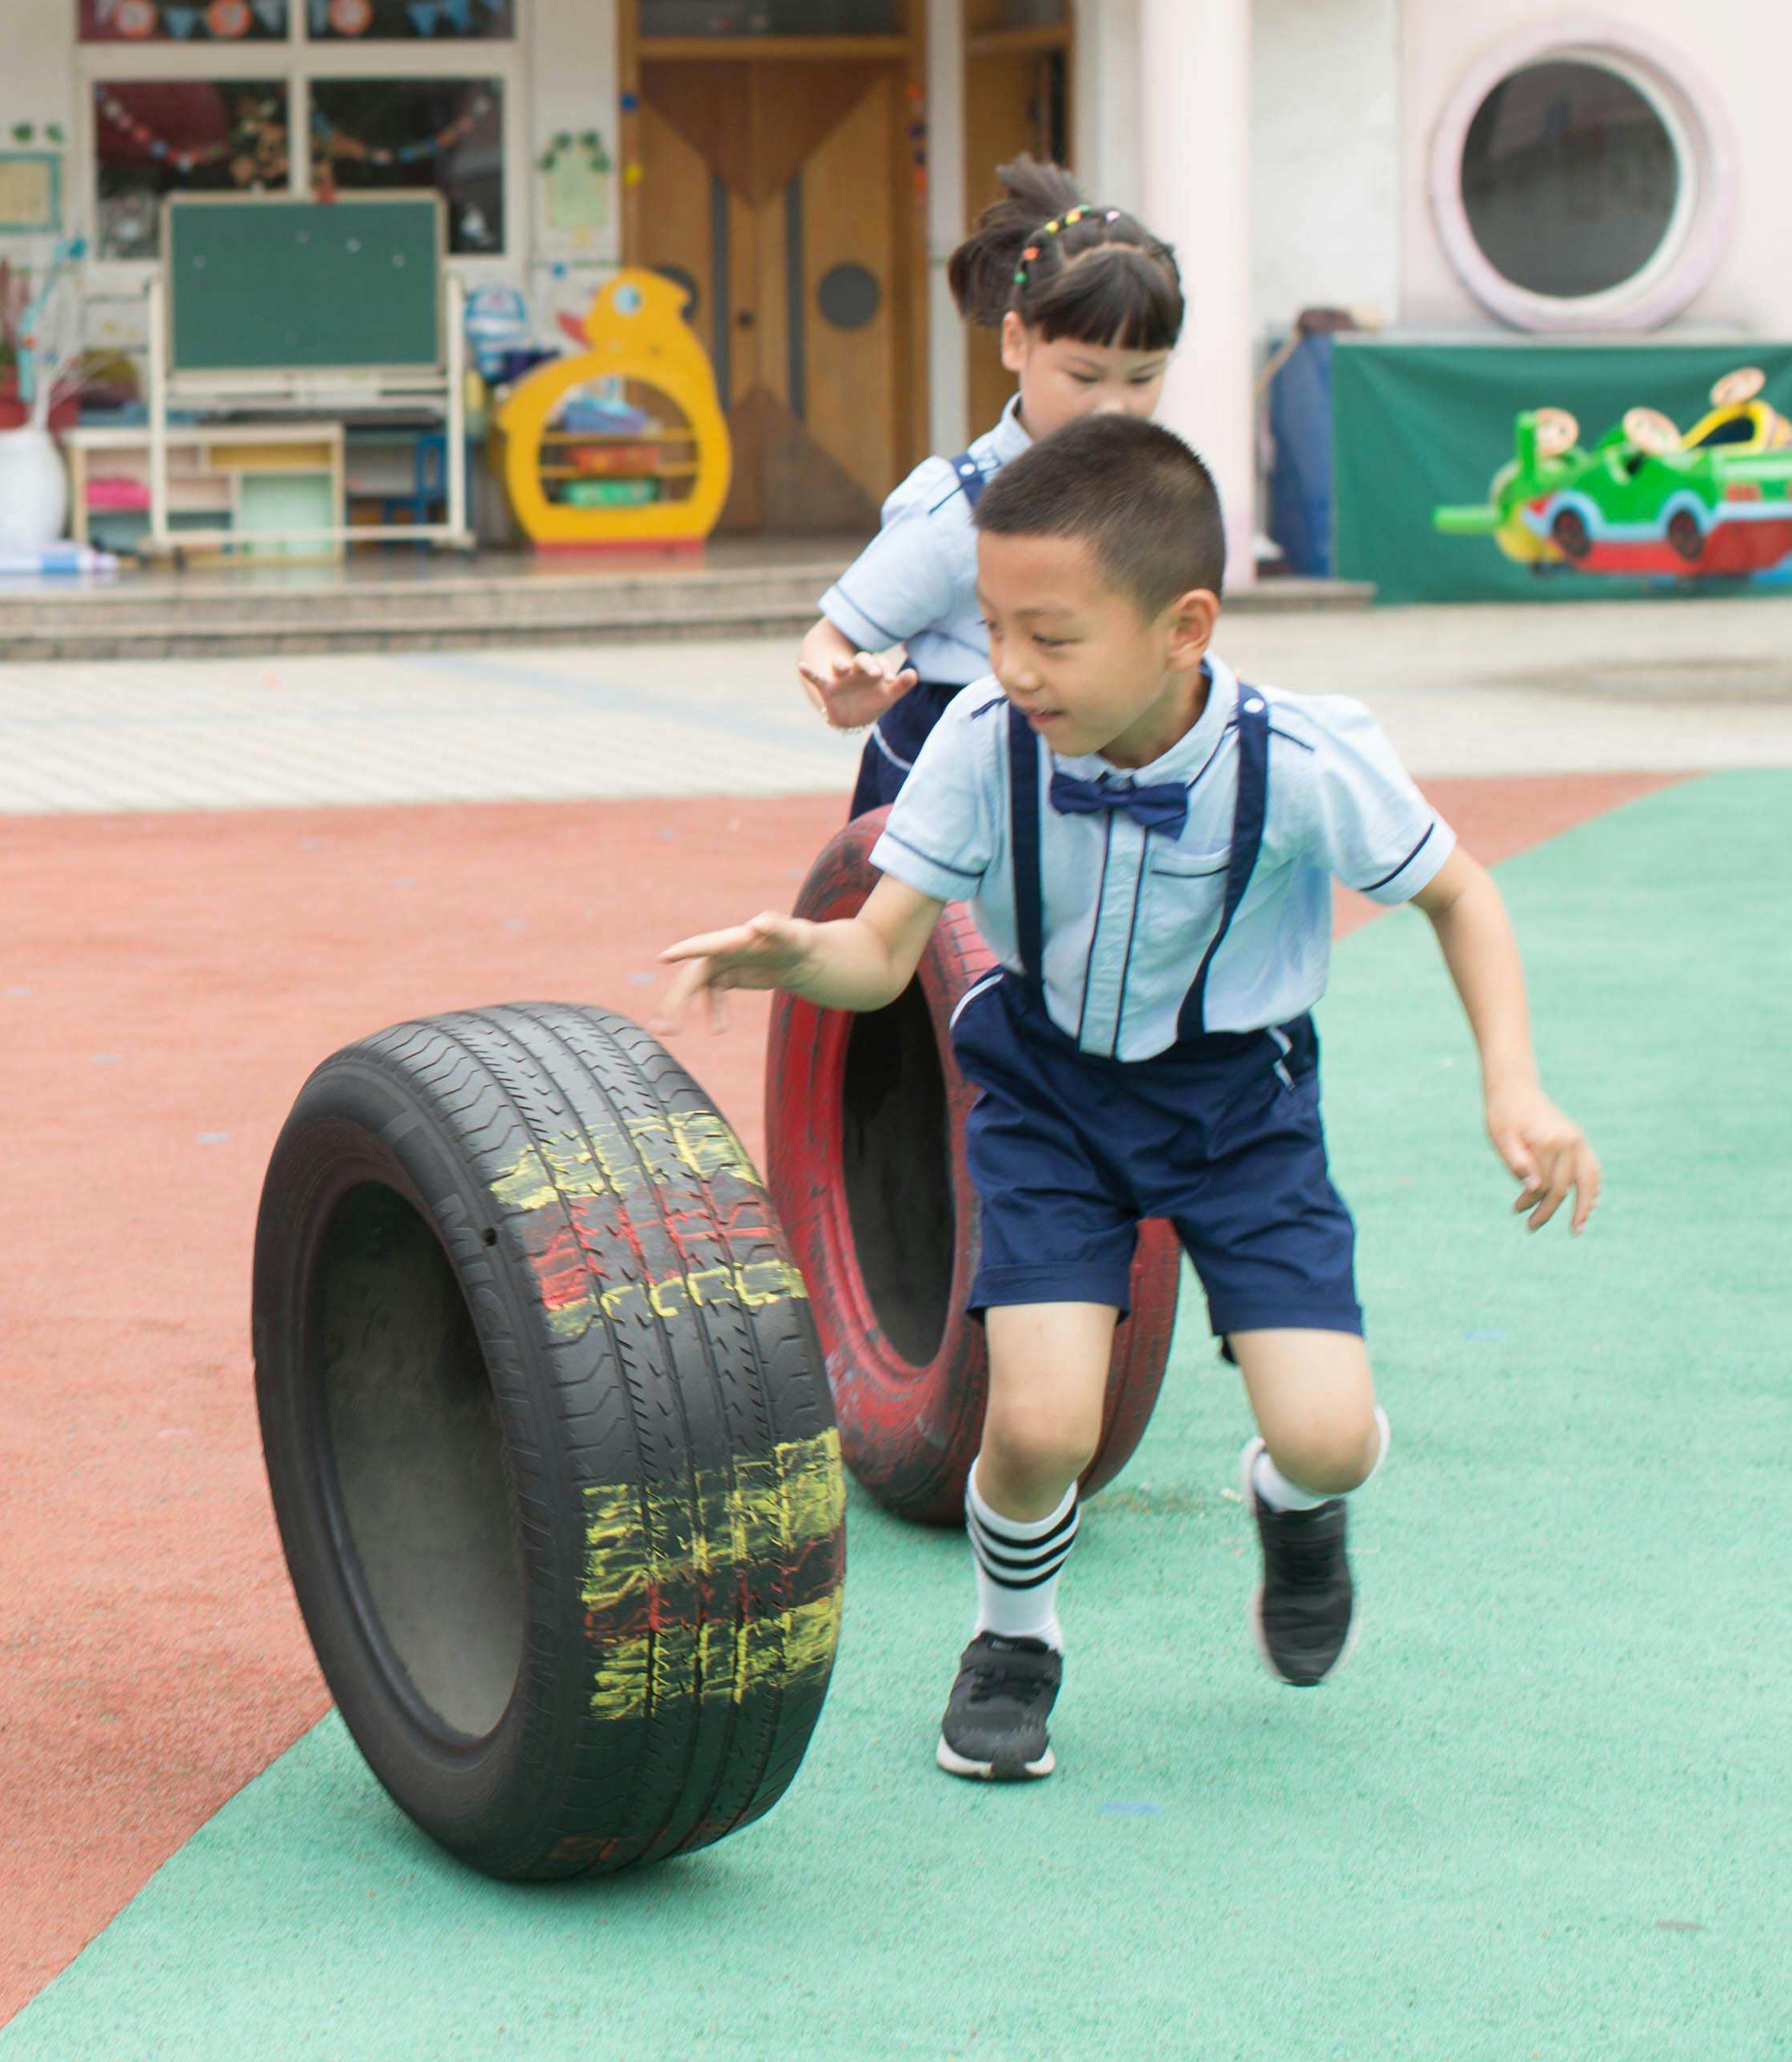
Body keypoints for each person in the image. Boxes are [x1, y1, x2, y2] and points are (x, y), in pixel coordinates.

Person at [661, 415, 1598, 1785]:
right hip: (1043, 1091)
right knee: (1038, 1426)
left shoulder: (1295, 760)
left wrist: (1509, 1082)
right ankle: (1012, 1639)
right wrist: (797, 954)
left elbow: (1456, 890)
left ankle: (1291, 1509)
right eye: (989, 626)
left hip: (1239, 1108)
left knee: (1327, 1438)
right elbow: (876, 959)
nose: (1007, 665)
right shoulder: (981, 740)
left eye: (1048, 634)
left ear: (1181, 626)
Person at [800, 161, 1180, 813]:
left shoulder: (1161, 499)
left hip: (1090, 810)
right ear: (1015, 341)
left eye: (1141, 378)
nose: (1114, 408)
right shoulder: (955, 513)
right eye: (1085, 377)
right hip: (948, 812)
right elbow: (829, 639)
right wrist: (842, 692)